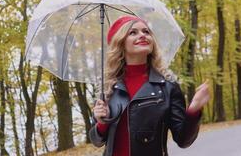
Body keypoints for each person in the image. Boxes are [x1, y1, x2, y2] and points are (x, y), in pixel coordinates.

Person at [89, 15, 210, 156]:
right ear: (120, 43)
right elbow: (96, 141)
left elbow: (183, 140)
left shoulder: (168, 86)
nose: (142, 35)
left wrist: (194, 110)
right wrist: (102, 122)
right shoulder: (108, 88)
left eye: (146, 31)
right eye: (133, 32)